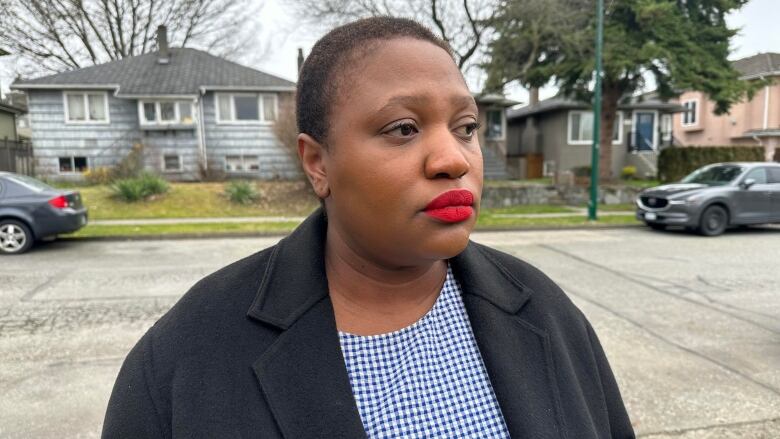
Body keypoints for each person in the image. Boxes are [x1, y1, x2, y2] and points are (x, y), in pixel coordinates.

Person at [103, 17, 635, 438]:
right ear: (318, 164)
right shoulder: (189, 353)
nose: (453, 159)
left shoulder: (544, 310)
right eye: (403, 128)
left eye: (466, 127)